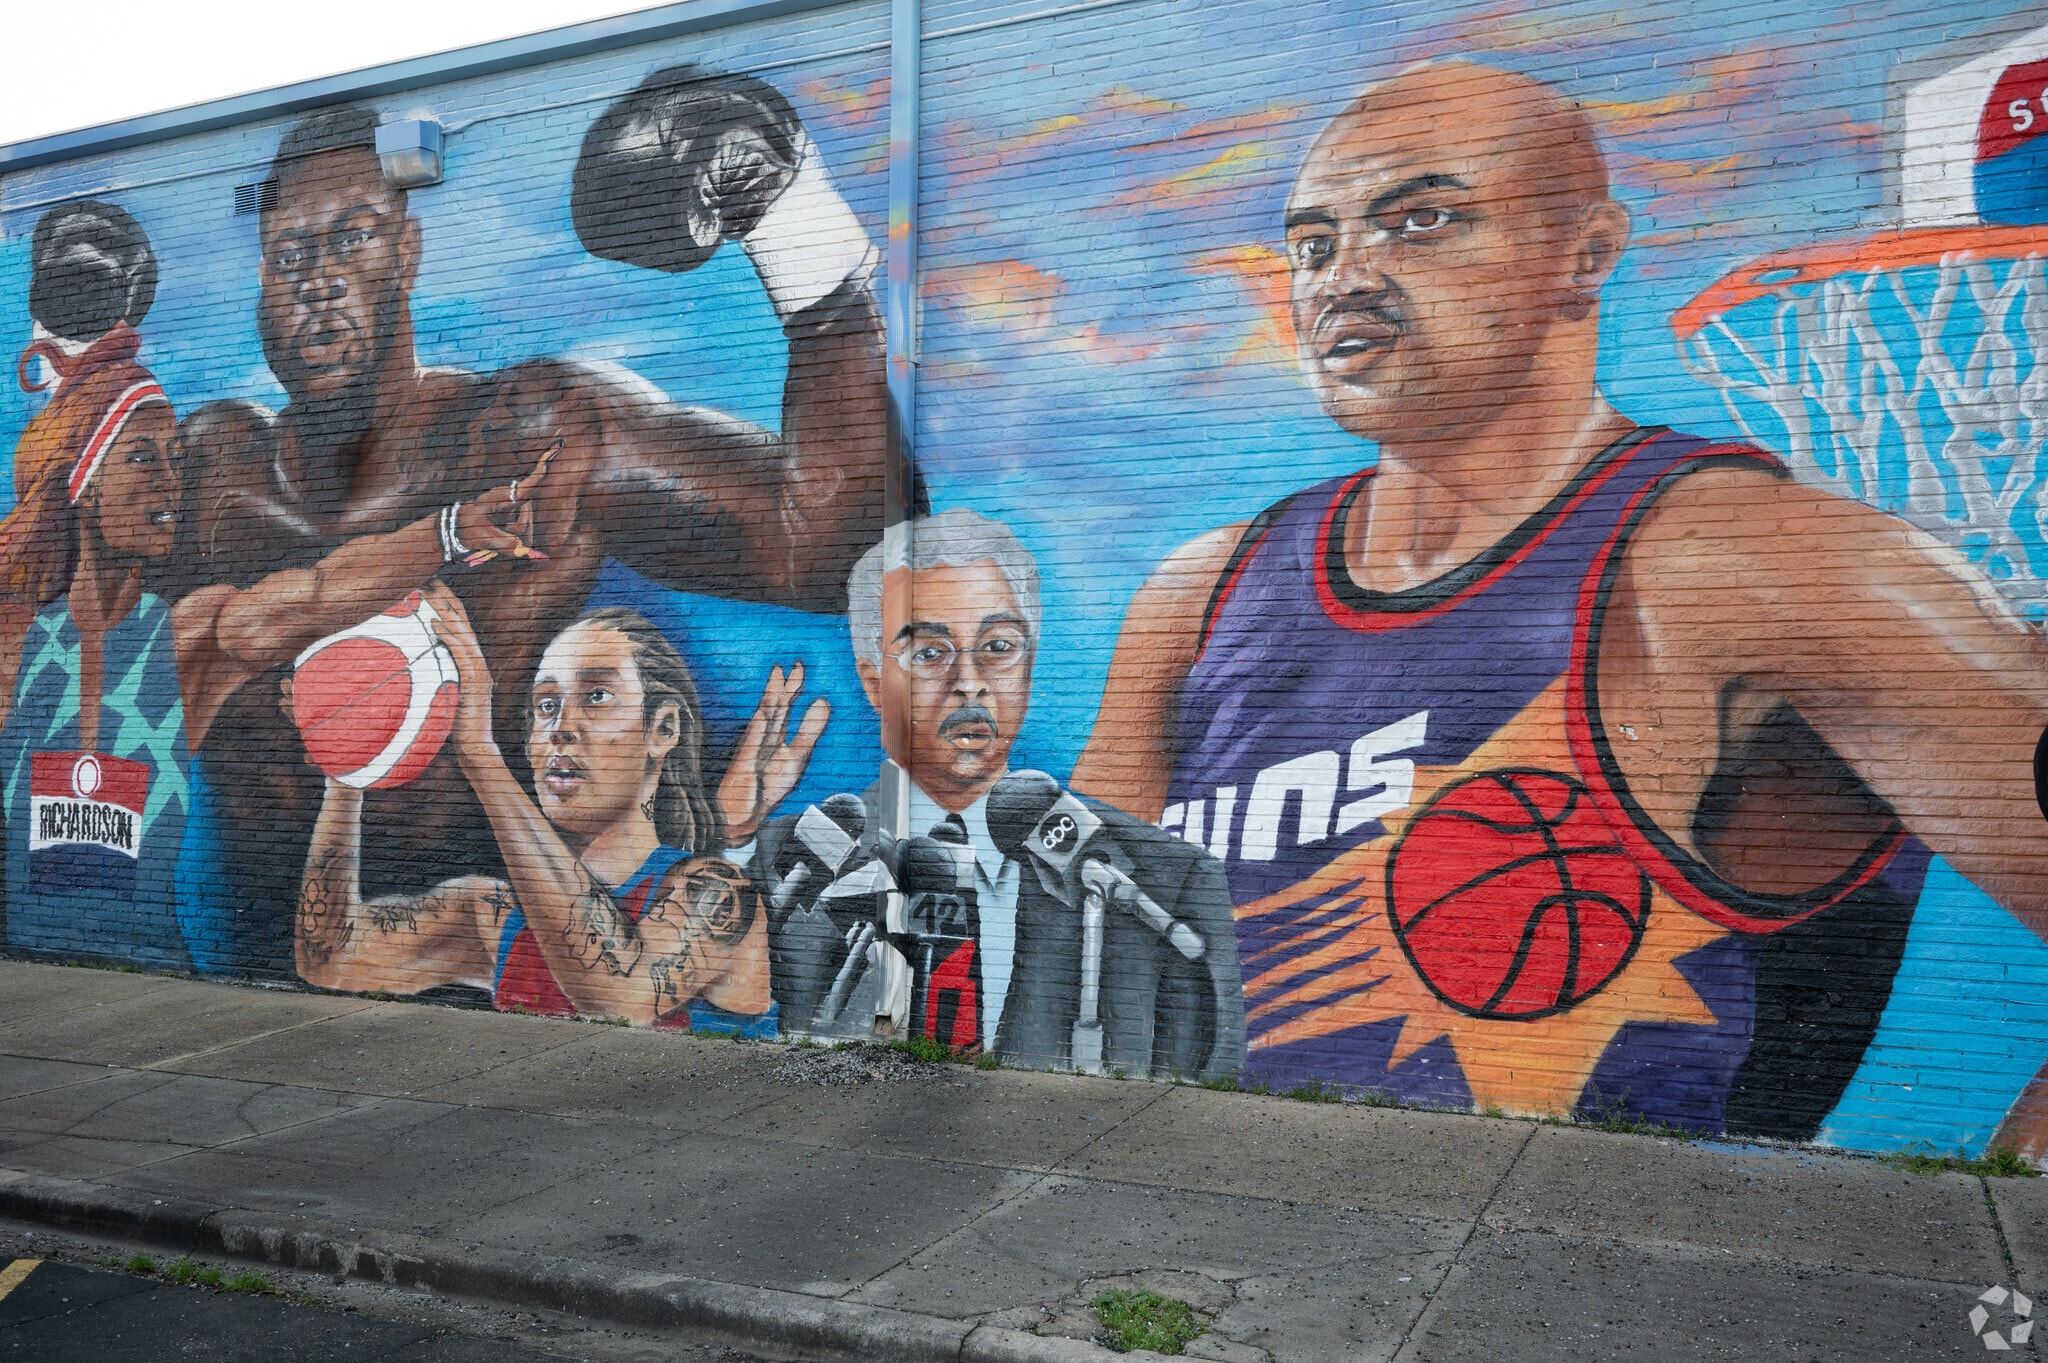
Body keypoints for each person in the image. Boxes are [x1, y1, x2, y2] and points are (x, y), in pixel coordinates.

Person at [1070, 60, 2048, 1136]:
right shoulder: (1200, 589)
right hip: (1192, 1247)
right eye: (1312, 243)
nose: (1343, 274)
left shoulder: (1738, 560)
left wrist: (1974, 1231)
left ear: (1581, 254)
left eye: (1420, 219)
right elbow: (1072, 945)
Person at [171, 70, 890, 975]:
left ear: (409, 250)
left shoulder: (532, 440)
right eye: (288, 254)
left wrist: (797, 233)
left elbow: (839, 549)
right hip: (236, 982)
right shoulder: (207, 474)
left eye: (352, 238)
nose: (317, 280)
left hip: (492, 974)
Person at [0, 307, 548, 970]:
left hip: (153, 985)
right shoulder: (19, 644)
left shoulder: (184, 639)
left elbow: (320, 592)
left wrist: (451, 529)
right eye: (143, 458)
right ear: (82, 485)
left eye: (176, 461)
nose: (170, 482)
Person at [752, 509, 1245, 1079]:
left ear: (1029, 666)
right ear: (872, 683)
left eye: (998, 645)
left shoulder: (1165, 884)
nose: (971, 679)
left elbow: (1210, 1085)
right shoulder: (789, 865)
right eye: (930, 653)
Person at [295, 585, 816, 1033]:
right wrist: (350, 760)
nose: (560, 726)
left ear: (662, 730)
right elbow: (332, 959)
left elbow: (620, 999)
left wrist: (480, 754)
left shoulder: (717, 893)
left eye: (596, 695)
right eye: (545, 705)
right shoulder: (493, 915)